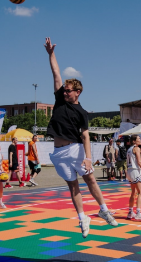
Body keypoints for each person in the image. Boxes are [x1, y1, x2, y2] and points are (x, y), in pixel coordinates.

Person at [44, 37, 117, 239]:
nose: (64, 92)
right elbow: (56, 73)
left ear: (77, 92)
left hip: (75, 150)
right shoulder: (59, 100)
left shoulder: (82, 112)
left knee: (90, 179)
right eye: (64, 90)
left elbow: (85, 136)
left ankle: (103, 209)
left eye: (68, 91)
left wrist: (87, 156)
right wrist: (51, 54)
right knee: (72, 185)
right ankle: (83, 217)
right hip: (58, 154)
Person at [126, 135, 141, 222]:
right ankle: (138, 213)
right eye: (138, 138)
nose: (140, 139)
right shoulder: (136, 148)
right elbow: (139, 161)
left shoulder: (129, 149)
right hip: (135, 171)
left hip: (129, 171)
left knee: (133, 192)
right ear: (134, 141)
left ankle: (130, 212)